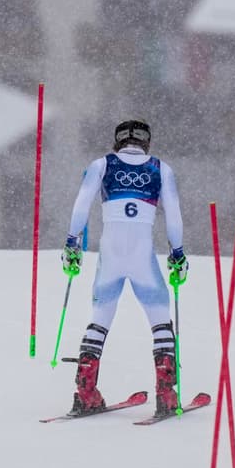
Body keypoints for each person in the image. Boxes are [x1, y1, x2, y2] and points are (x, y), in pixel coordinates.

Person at [62, 119, 188, 417]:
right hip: (142, 254)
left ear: (118, 140)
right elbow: (174, 216)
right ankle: (166, 393)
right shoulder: (160, 168)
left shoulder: (102, 164)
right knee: (159, 316)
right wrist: (177, 253)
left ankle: (86, 391)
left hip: (111, 253)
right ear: (146, 141)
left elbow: (81, 205)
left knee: (100, 316)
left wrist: (72, 242)